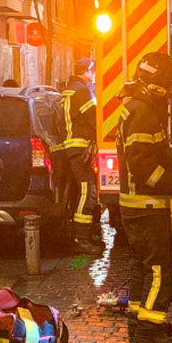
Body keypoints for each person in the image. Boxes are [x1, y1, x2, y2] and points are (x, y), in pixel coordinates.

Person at [118, 52, 172, 343]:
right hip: (147, 207)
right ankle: (150, 329)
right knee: (160, 270)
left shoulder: (139, 107)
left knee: (142, 268)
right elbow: (144, 167)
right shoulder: (143, 112)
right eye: (170, 84)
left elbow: (157, 151)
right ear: (157, 83)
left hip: (138, 207)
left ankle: (140, 323)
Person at [53, 58, 103, 252]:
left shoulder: (67, 90)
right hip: (79, 148)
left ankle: (86, 235)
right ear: (88, 71)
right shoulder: (81, 91)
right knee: (87, 192)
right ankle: (81, 240)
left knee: (80, 192)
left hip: (71, 148)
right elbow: (93, 118)